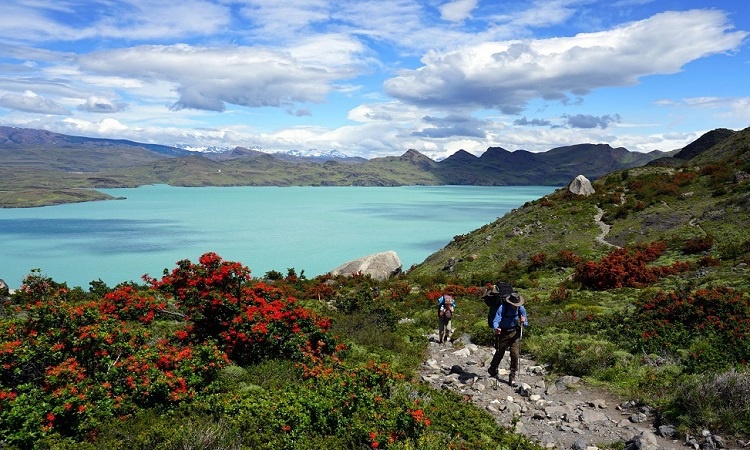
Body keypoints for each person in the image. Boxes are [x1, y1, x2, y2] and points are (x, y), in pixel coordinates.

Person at [487, 292, 528, 386]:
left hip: (514, 332)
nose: (515, 306)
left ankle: (512, 376)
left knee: (515, 354)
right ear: (510, 303)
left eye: (517, 305)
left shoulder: (521, 308)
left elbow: (526, 324)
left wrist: (523, 321)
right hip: (503, 333)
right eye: (514, 305)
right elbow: (496, 320)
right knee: (500, 352)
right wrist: (496, 328)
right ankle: (493, 368)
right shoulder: (503, 307)